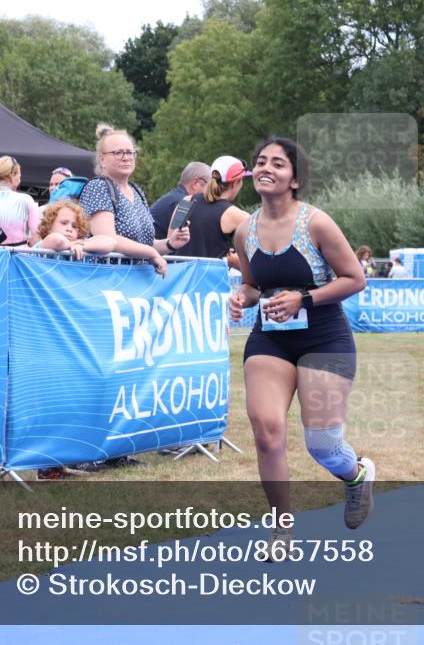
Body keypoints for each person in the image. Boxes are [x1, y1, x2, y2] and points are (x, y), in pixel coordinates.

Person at [229, 136, 373, 558]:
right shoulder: (244, 230)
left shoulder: (317, 223)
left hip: (324, 336)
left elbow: (354, 279)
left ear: (295, 178)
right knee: (267, 432)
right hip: (270, 338)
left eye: (278, 163)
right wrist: (242, 297)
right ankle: (282, 531)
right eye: (260, 162)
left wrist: (303, 298)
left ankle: (357, 475)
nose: (266, 168)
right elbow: (253, 285)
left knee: (323, 446)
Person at [80, 123, 189, 278]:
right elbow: (107, 239)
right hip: (106, 280)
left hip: (137, 283)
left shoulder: (137, 191)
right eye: (118, 153)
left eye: (130, 152)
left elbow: (145, 244)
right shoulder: (98, 187)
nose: (126, 157)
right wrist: (151, 252)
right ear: (102, 159)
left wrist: (170, 243)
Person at [170, 155, 250, 269]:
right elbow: (257, 261)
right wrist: (232, 259)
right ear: (235, 183)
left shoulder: (186, 201)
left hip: (181, 279)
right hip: (210, 283)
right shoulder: (237, 215)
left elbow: (171, 242)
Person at [34, 200, 116, 259]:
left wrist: (82, 246)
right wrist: (71, 246)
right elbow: (57, 240)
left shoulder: (80, 246)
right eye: (64, 223)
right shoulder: (44, 244)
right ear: (49, 227)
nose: (69, 229)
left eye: (74, 226)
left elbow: (111, 243)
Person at [151, 161, 211, 239]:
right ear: (195, 183)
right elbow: (177, 244)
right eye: (210, 186)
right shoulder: (183, 204)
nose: (212, 192)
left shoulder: (173, 197)